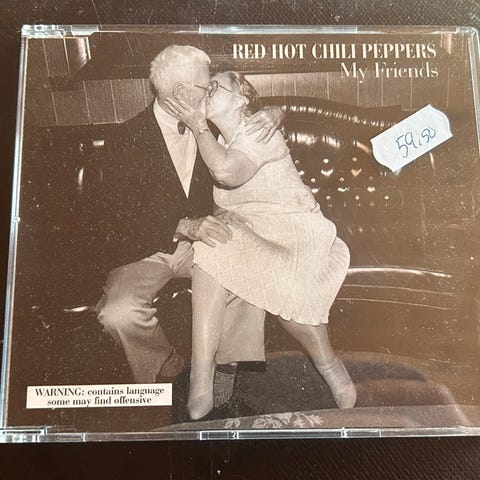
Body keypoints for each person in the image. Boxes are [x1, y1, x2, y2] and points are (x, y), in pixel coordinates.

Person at [165, 71, 357, 420]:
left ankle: (329, 364)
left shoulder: (258, 131)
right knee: (210, 243)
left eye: (215, 86)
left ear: (241, 99)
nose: (206, 90)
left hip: (297, 234)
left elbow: (226, 172)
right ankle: (201, 378)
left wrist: (204, 124)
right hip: (257, 233)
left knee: (294, 314)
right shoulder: (215, 139)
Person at [95, 46, 283, 389]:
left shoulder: (210, 121)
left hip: (203, 245)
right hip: (146, 249)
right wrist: (182, 226)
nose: (211, 91)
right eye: (205, 86)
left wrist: (275, 112)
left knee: (246, 274)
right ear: (180, 92)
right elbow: (114, 217)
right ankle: (167, 365)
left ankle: (226, 369)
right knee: (118, 314)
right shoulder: (125, 139)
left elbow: (248, 111)